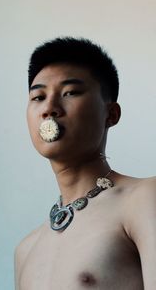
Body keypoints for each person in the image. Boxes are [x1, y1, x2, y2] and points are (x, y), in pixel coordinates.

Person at [15, 37, 156, 289]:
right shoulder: (25, 250)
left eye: (70, 92)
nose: (49, 108)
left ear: (110, 114)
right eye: (38, 97)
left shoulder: (144, 198)